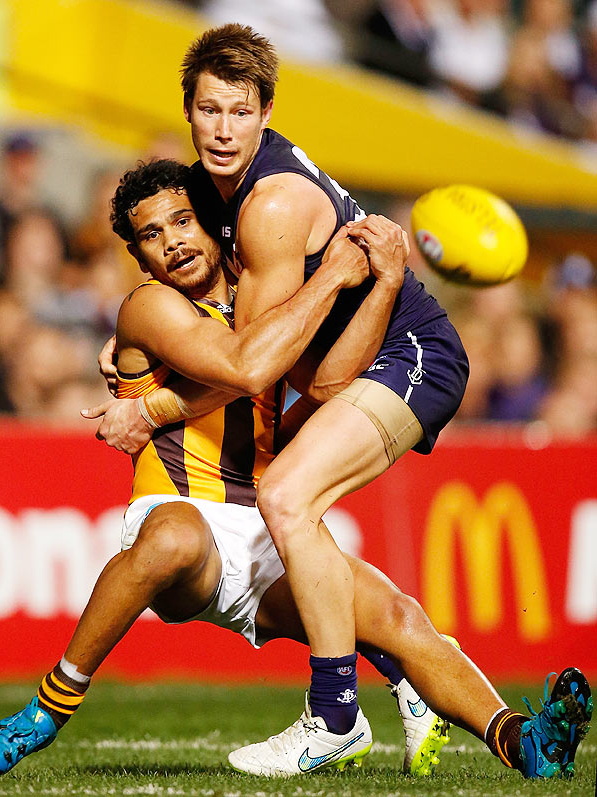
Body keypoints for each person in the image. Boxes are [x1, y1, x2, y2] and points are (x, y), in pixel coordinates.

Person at [0, 161, 591, 780]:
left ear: (214, 227)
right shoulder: (149, 308)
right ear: (139, 260)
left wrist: (383, 286)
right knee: (173, 542)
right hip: (180, 516)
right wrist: (336, 278)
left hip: (264, 524)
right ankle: (47, 709)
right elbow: (246, 367)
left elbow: (325, 388)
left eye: (184, 221)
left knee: (398, 616)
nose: (174, 241)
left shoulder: (266, 306)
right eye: (153, 235)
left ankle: (523, 743)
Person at [87, 25, 591, 779]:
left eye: (239, 111)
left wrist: (152, 403)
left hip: (412, 354)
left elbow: (254, 365)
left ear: (266, 115)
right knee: (380, 606)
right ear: (188, 113)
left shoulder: (271, 206)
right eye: (208, 110)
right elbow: (309, 377)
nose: (223, 129)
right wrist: (131, 335)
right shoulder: (208, 192)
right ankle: (525, 741)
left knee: (286, 495)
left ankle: (332, 713)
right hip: (352, 362)